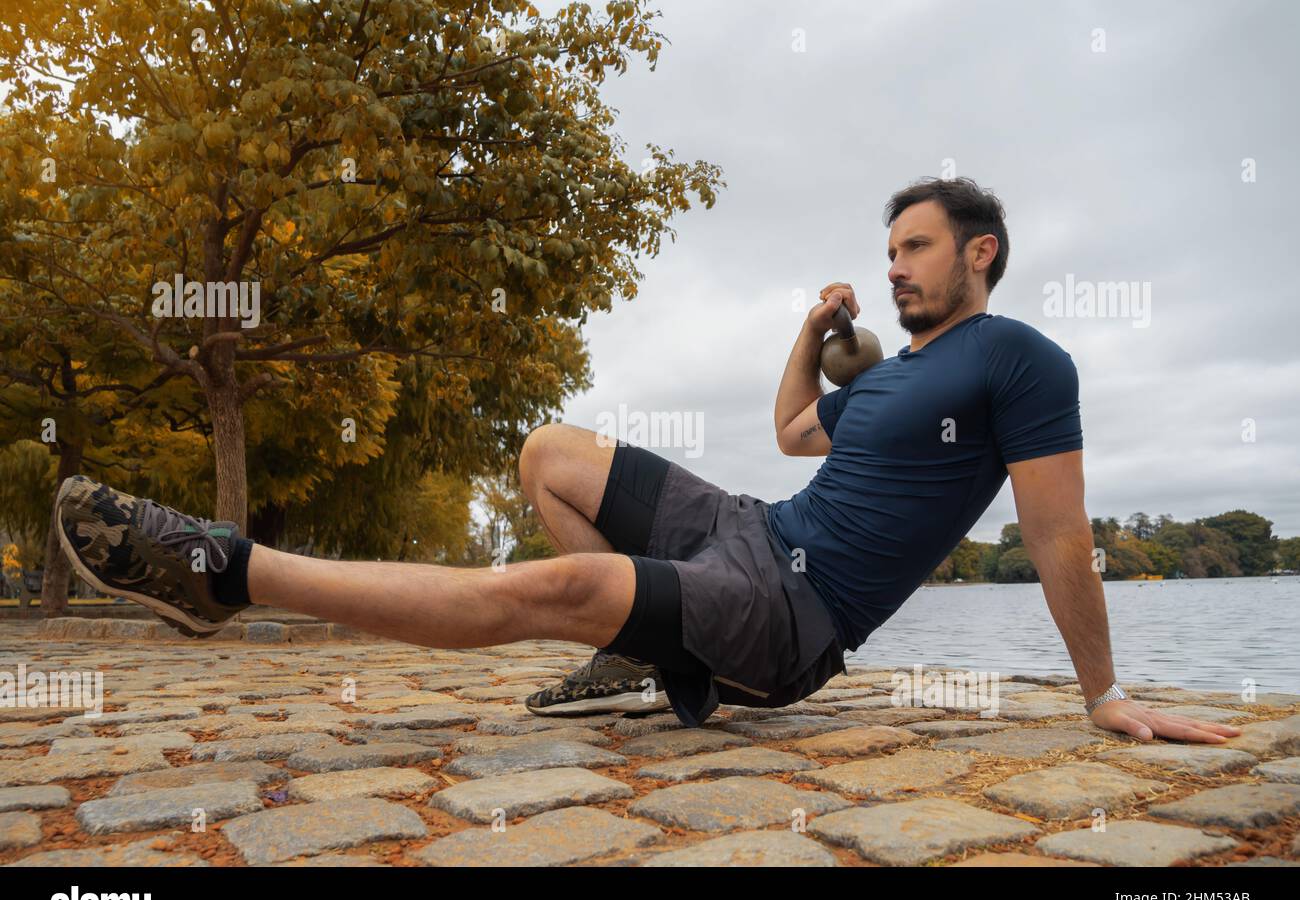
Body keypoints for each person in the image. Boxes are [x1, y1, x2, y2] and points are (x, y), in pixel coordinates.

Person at [54, 176, 1240, 745]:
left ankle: (226, 571)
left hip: (793, 617)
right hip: (748, 525)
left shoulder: (1021, 364)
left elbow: (1055, 534)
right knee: (548, 452)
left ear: (981, 250)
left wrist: (1104, 691)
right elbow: (788, 432)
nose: (895, 268)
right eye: (886, 251)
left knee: (552, 587)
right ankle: (634, 651)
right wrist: (808, 330)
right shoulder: (883, 379)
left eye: (916, 247)